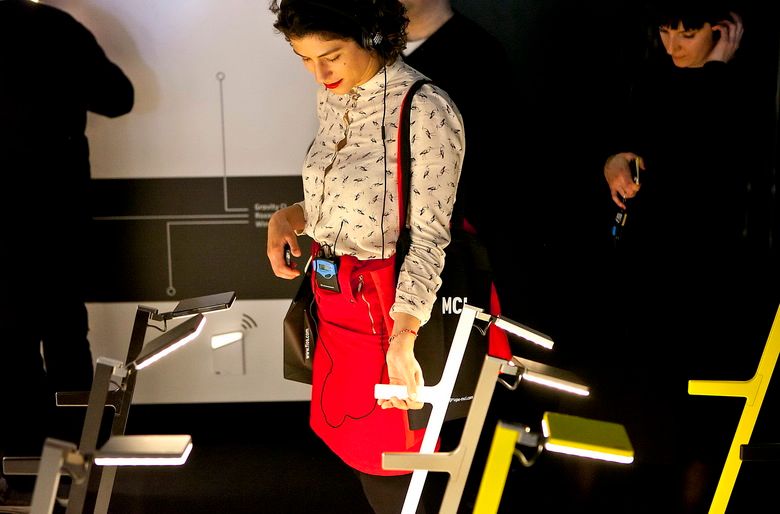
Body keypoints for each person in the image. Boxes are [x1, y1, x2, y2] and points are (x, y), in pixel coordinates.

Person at [266, 1, 464, 512]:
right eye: (305, 59)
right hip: (339, 307)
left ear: (372, 35)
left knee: (396, 470)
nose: (320, 73)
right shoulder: (334, 96)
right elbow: (344, 201)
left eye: (331, 55)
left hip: (392, 315)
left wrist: (403, 338)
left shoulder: (425, 108)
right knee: (360, 455)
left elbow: (428, 238)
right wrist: (292, 216)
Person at [593, 1, 777, 511]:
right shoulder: (652, 77)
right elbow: (638, 144)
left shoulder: (738, 86)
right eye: (666, 30)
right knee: (640, 398)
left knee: (693, 411)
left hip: (704, 268)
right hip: (647, 261)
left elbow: (706, 165)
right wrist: (613, 162)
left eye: (688, 34)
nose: (673, 44)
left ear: (720, 31)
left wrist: (713, 73)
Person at [0, 0, 134, 504]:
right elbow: (118, 98)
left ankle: (24, 471)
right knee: (64, 333)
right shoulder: (52, 27)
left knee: (9, 346)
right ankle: (76, 465)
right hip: (56, 211)